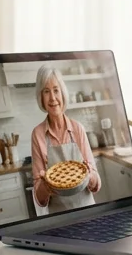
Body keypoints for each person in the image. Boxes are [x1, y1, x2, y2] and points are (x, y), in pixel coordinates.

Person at [30, 65, 101, 213]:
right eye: (46, 91)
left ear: (63, 93)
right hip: (59, 217)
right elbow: (40, 200)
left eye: (56, 90)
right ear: (41, 98)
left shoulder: (77, 129)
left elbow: (96, 185)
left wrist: (89, 174)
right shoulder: (37, 134)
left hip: (87, 211)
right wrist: (44, 184)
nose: (53, 98)